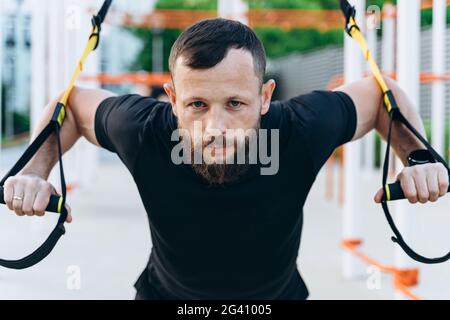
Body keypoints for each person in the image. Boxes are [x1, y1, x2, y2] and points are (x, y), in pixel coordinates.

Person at [3, 19, 448, 300]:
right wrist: (34, 172)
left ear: (265, 97)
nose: (214, 125)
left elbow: (378, 93)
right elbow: (74, 103)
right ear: (172, 98)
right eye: (197, 104)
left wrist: (417, 157)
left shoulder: (297, 130)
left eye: (235, 103)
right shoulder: (146, 131)